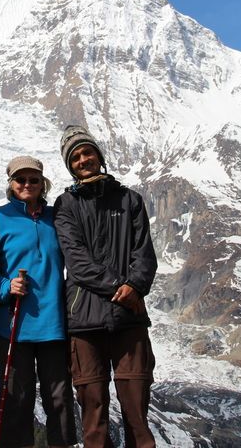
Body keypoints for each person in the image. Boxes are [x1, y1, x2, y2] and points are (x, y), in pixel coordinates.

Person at [53, 125, 158, 448]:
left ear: (99, 155)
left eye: (88, 152)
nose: (84, 159)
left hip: (129, 319)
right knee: (93, 411)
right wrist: (122, 289)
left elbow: (145, 253)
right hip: (86, 321)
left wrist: (136, 285)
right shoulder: (65, 205)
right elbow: (78, 262)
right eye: (76, 157)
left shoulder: (130, 200)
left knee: (137, 409)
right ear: (70, 165)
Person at [0, 156, 77, 448]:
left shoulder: (58, 217)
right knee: (17, 400)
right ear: (11, 184)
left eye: (33, 179)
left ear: (43, 183)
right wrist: (6, 285)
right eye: (20, 180)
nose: (27, 184)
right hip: (13, 326)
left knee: (60, 400)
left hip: (54, 326)